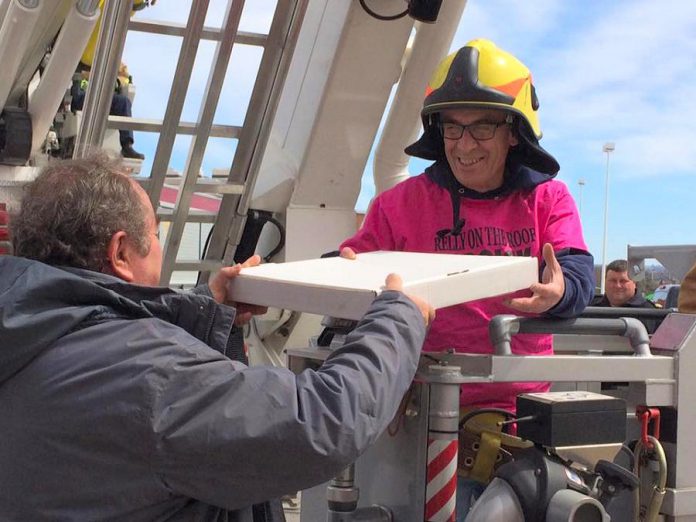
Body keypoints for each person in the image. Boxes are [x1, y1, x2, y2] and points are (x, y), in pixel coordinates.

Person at [0, 153, 434, 521]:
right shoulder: (150, 379)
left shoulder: (28, 337)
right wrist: (398, 318)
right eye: (155, 236)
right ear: (120, 253)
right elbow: (320, 422)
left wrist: (205, 309)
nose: (159, 248)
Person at [339, 39, 594, 517]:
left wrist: (560, 293)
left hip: (519, 424)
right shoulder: (397, 205)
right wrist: (282, 274)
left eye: (481, 128)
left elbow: (577, 274)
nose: (464, 145)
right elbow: (349, 263)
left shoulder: (549, 200)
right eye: (452, 128)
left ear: (514, 133)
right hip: (415, 415)